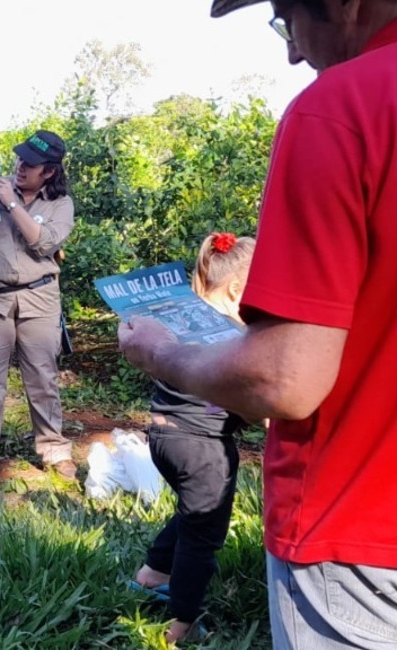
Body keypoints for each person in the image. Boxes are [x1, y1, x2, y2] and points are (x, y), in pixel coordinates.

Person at [118, 1, 397, 647]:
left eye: (288, 18)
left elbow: (283, 379)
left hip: (370, 531)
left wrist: (163, 353)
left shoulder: (345, 105)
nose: (293, 51)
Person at [132, 232, 255, 644]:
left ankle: (152, 574)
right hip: (202, 449)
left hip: (163, 436)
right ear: (237, 287)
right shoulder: (232, 336)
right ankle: (181, 626)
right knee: (204, 533)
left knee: (191, 511)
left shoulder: (182, 316)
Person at [0, 130, 76, 490]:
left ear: (49, 172)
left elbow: (44, 243)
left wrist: (10, 204)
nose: (21, 168)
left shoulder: (60, 203)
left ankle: (54, 450)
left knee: (42, 378)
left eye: (31, 165)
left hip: (39, 299)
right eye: (19, 159)